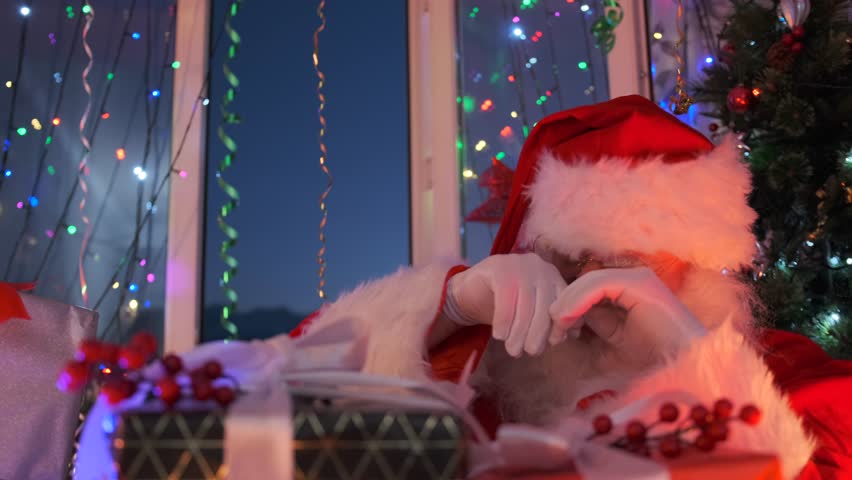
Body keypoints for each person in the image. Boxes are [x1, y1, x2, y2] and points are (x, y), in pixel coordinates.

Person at [292, 96, 852, 479]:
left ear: (697, 261)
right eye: (578, 255)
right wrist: (446, 310)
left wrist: (696, 363)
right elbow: (273, 428)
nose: (600, 281)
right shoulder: (486, 392)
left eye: (635, 259)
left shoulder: (786, 379)